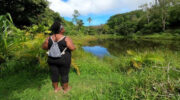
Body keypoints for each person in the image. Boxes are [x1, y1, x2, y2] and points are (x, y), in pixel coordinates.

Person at [42, 21, 76, 93]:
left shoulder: (49, 38)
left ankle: (56, 89)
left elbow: (44, 47)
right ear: (61, 30)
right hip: (64, 59)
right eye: (63, 27)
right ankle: (66, 89)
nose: (64, 28)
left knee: (54, 73)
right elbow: (72, 48)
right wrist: (74, 45)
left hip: (51, 59)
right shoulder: (66, 38)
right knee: (64, 73)